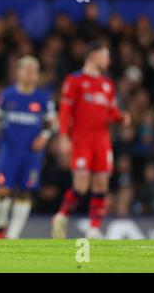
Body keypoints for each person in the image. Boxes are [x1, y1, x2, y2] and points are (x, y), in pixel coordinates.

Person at [51, 42, 131, 239]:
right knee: (81, 185)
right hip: (81, 140)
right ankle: (61, 216)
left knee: (102, 184)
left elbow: (111, 111)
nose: (109, 61)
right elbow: (65, 111)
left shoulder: (107, 84)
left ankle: (94, 228)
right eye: (105, 56)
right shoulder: (75, 80)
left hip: (102, 140)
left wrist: (122, 118)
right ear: (94, 56)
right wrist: (63, 137)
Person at [0, 56, 57, 239]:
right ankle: (1, 224)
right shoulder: (7, 95)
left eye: (34, 71)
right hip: (9, 150)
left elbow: (52, 123)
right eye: (27, 70)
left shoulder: (43, 98)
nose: (31, 74)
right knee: (2, 189)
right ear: (18, 72)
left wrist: (45, 136)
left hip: (31, 153)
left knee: (25, 193)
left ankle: (13, 235)